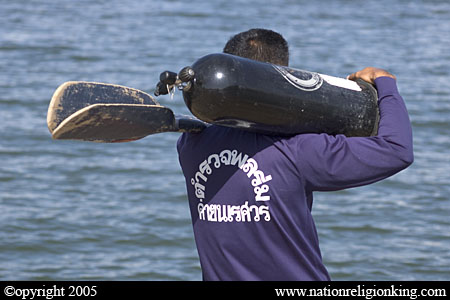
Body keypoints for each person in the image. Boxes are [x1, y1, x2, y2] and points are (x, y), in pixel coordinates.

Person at [177, 28, 413, 281]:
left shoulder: (192, 145)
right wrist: (385, 83)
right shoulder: (298, 151)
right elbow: (396, 149)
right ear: (281, 78)